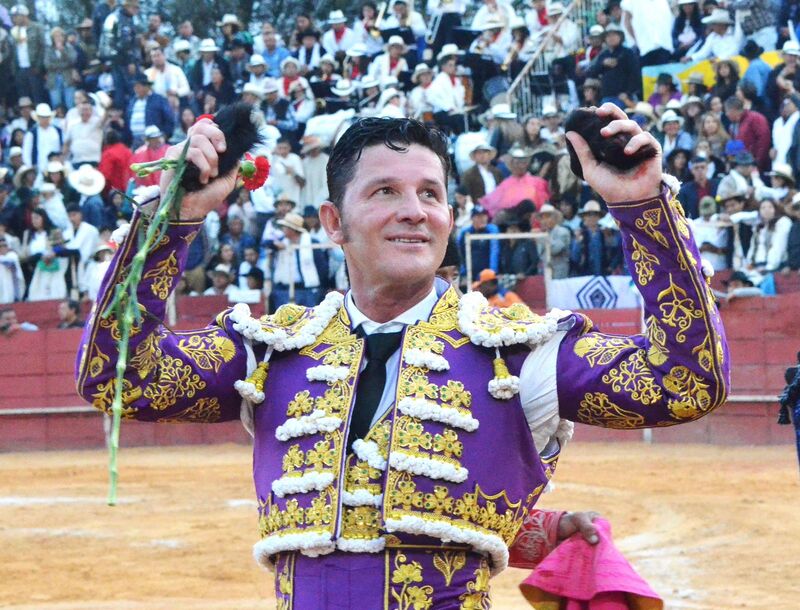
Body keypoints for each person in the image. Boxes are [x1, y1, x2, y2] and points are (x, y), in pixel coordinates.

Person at [76, 111, 729, 606]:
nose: (414, 212)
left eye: (430, 194)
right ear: (333, 222)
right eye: (385, 192)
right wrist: (173, 218)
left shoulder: (518, 352)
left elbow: (685, 382)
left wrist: (642, 208)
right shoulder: (274, 350)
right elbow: (118, 377)